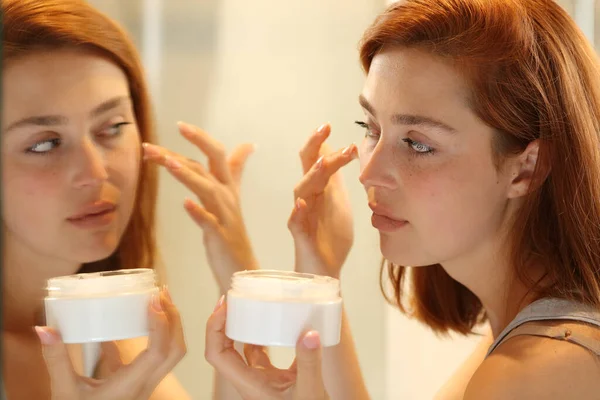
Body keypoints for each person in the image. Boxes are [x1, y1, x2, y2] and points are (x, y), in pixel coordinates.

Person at [204, 0, 600, 398]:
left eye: (417, 144)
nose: (367, 173)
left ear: (527, 167)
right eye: (371, 126)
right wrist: (321, 271)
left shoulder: (533, 373)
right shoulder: (533, 330)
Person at [2, 0, 257, 398]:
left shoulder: (100, 332)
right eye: (46, 144)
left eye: (113, 127)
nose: (97, 172)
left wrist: (238, 276)